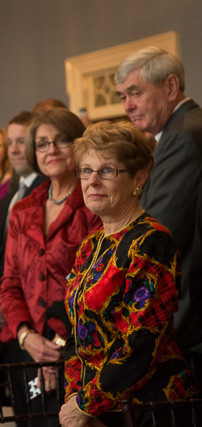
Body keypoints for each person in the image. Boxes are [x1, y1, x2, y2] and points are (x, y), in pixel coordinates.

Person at [61, 121, 197, 427]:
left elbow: (142, 342)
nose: (92, 181)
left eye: (107, 171)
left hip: (147, 409)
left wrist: (86, 405)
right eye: (86, 170)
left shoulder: (152, 241)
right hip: (97, 409)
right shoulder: (90, 245)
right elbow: (75, 333)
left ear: (139, 177)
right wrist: (74, 397)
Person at [0, 109, 101, 426]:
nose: (51, 150)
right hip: (25, 350)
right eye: (42, 144)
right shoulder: (22, 209)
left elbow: (94, 284)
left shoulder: (94, 204)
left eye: (61, 140)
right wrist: (26, 335)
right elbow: (10, 284)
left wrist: (55, 344)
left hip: (78, 351)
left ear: (79, 145)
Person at [115, 47, 202, 364]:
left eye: (135, 93)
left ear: (170, 87)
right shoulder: (179, 131)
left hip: (185, 321)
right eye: (122, 96)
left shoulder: (183, 136)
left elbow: (158, 234)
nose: (128, 106)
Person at [0, 111, 47, 333]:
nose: (14, 150)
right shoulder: (8, 197)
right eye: (10, 142)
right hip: (2, 319)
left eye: (22, 142)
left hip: (34, 319)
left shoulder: (47, 191)